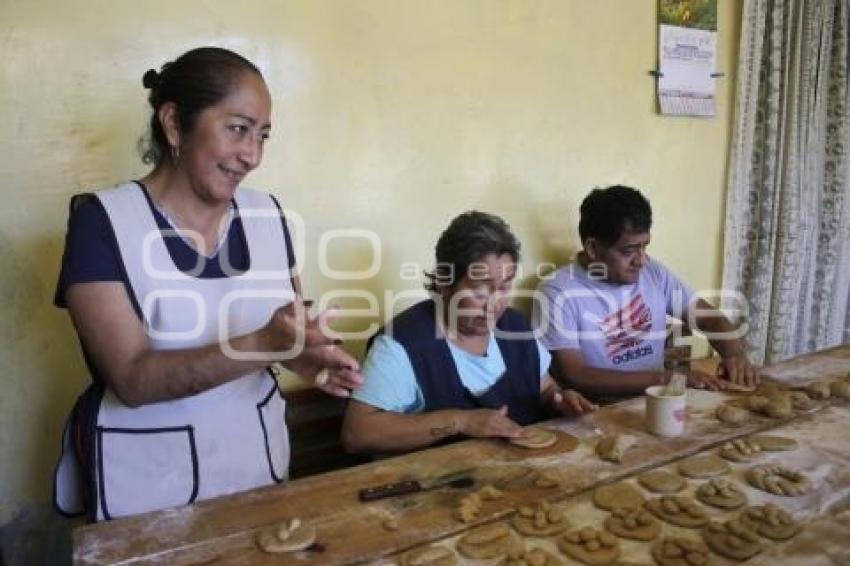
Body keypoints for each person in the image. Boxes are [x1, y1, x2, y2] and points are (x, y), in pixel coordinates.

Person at [52, 47, 362, 521]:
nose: (252, 155)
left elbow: (285, 337)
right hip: (149, 491)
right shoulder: (102, 222)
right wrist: (262, 342)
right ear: (174, 123)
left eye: (263, 135)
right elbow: (132, 379)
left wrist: (309, 356)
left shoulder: (268, 215)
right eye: (237, 129)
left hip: (256, 468)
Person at [342, 211, 596, 455]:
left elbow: (545, 388)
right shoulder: (402, 344)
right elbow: (357, 435)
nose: (493, 304)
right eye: (479, 290)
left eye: (504, 288)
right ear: (444, 281)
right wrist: (461, 421)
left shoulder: (514, 326)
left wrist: (560, 400)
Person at [532, 185, 759, 403]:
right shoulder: (557, 291)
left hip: (656, 402)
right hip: (595, 413)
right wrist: (666, 379)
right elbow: (577, 374)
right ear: (592, 248)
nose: (640, 260)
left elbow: (709, 318)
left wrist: (734, 354)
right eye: (628, 250)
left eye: (645, 247)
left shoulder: (653, 273)